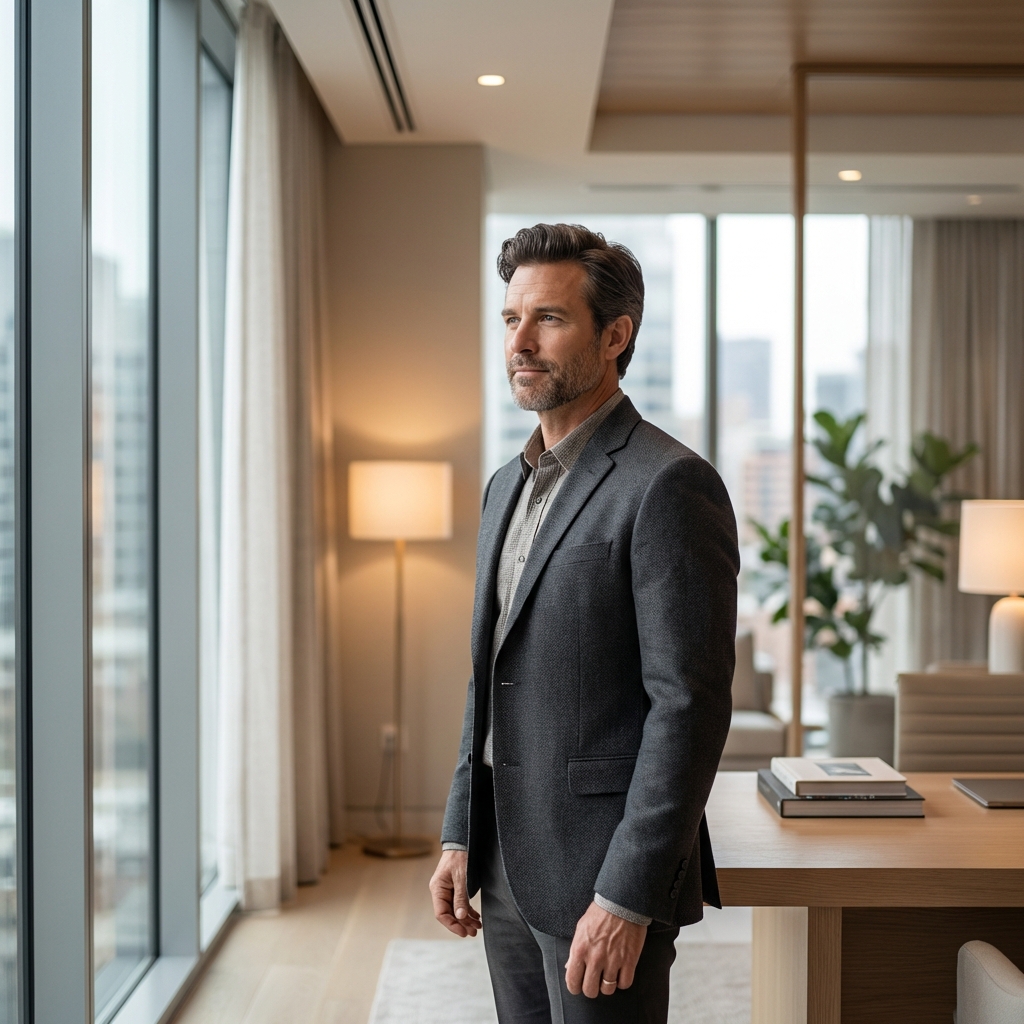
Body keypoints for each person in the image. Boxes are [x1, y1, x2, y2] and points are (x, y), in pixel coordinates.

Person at [429, 223, 739, 1023]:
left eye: (549, 319)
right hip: (503, 859)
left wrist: (627, 896)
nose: (520, 342)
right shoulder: (507, 484)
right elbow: (489, 675)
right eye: (510, 320)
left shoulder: (669, 484)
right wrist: (460, 831)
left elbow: (689, 707)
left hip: (601, 875)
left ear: (615, 335)